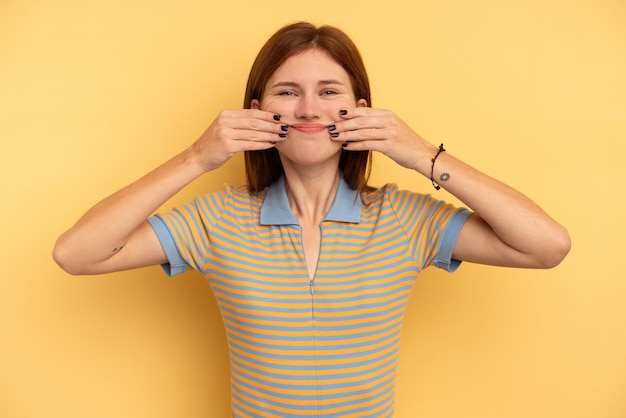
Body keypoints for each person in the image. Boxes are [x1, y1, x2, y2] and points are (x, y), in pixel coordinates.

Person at [53, 22, 570, 418]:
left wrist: (419, 155)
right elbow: (77, 254)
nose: (307, 109)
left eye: (329, 91)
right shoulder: (217, 219)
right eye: (286, 91)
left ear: (360, 110)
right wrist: (196, 157)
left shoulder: (406, 219)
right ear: (255, 111)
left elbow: (546, 246)